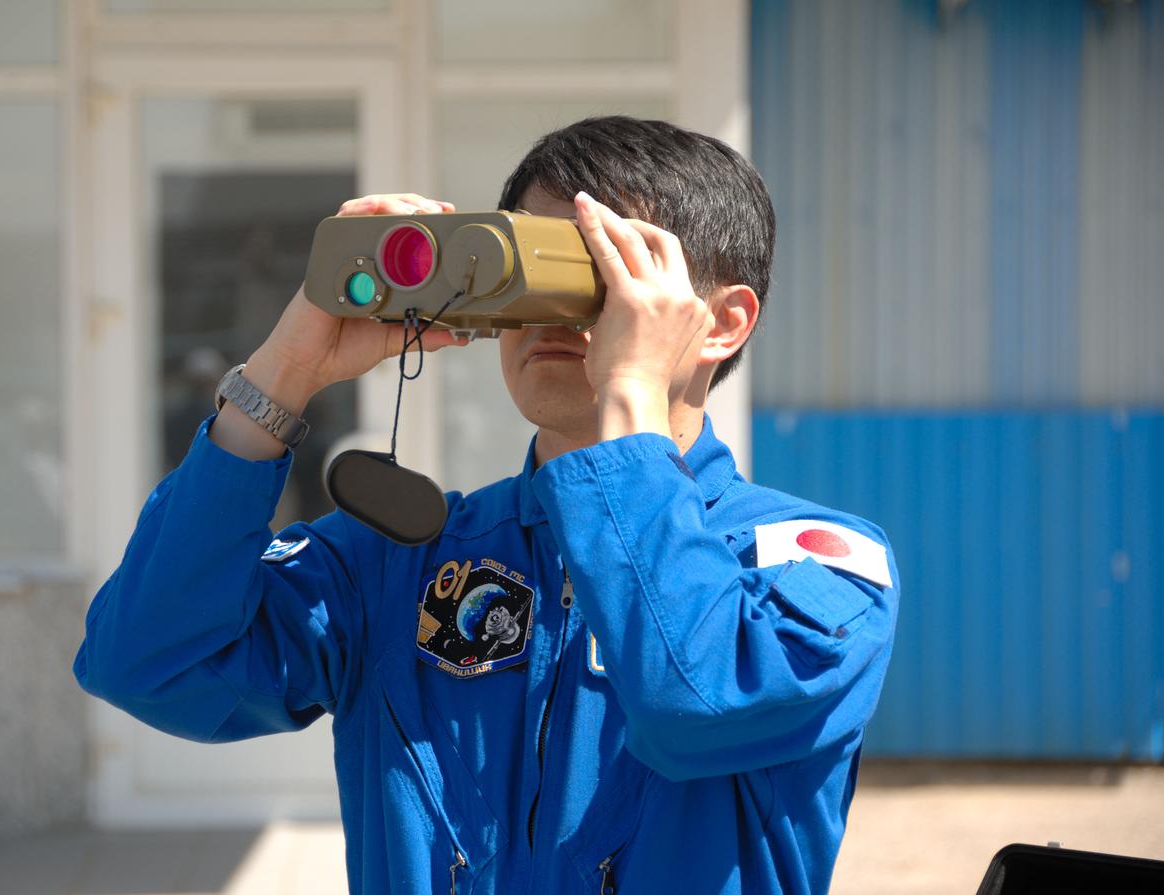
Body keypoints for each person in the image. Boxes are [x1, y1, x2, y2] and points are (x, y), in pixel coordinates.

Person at [75, 116, 899, 894]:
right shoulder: (399, 558)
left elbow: (696, 700)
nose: (551, 310)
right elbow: (150, 662)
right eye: (533, 264)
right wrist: (284, 370)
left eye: (602, 272)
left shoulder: (809, 569)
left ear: (720, 322)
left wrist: (629, 400)